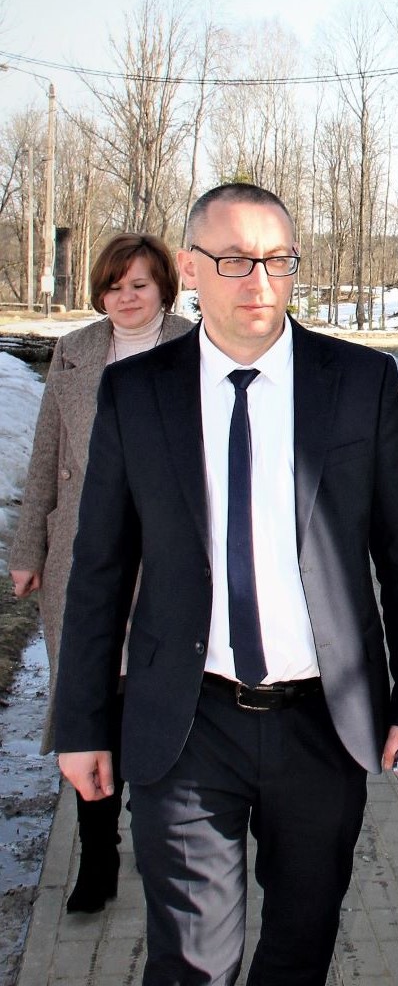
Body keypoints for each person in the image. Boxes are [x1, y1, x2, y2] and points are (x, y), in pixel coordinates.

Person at [54, 183, 398, 986]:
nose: (259, 280)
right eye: (233, 259)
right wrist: (81, 719)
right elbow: (99, 568)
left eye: (277, 258)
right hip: (187, 723)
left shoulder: (356, 382)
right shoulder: (138, 394)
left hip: (325, 718)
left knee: (305, 920)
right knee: (189, 963)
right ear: (190, 269)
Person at [9, 232, 191, 912]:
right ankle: (96, 855)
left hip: (169, 557)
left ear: (164, 286)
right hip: (82, 555)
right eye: (114, 287)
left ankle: (159, 835)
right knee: (92, 701)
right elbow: (46, 455)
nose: (126, 298)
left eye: (138, 285)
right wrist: (28, 550)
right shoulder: (76, 351)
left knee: (159, 695)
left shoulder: (195, 349)